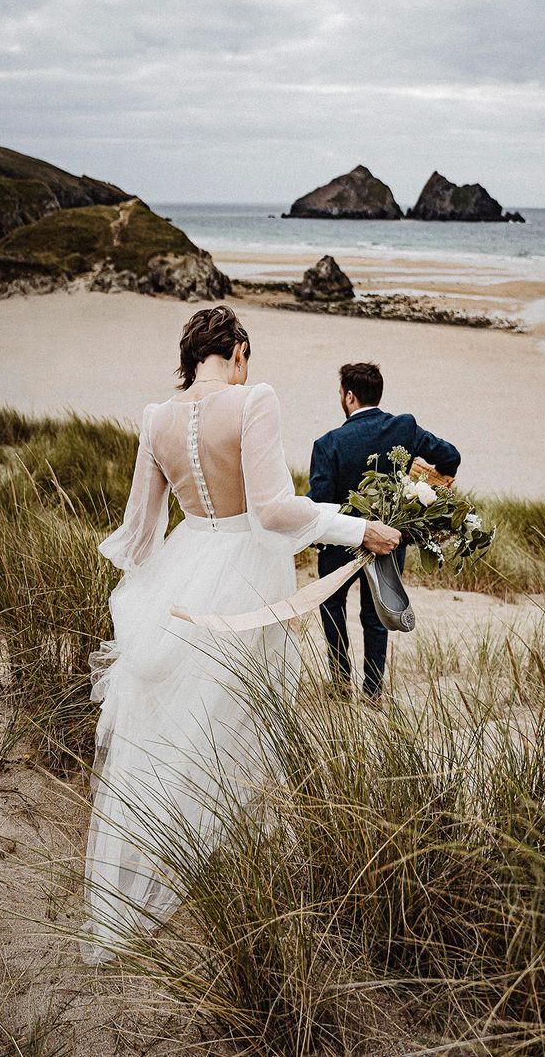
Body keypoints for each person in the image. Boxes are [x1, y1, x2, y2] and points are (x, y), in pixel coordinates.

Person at [83, 309, 401, 961]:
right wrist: (354, 527)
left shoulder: (154, 418)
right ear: (239, 351)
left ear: (188, 356)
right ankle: (225, 857)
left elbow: (139, 534)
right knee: (241, 714)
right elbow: (271, 511)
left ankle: (155, 856)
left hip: (182, 567)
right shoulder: (254, 398)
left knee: (174, 725)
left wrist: (146, 606)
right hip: (244, 576)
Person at [308, 362, 461, 697]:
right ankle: (374, 690)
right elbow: (451, 455)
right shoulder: (403, 428)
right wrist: (429, 489)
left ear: (349, 396)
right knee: (376, 614)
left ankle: (340, 683)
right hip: (390, 542)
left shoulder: (327, 444)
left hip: (339, 544)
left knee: (332, 607)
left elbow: (319, 505)